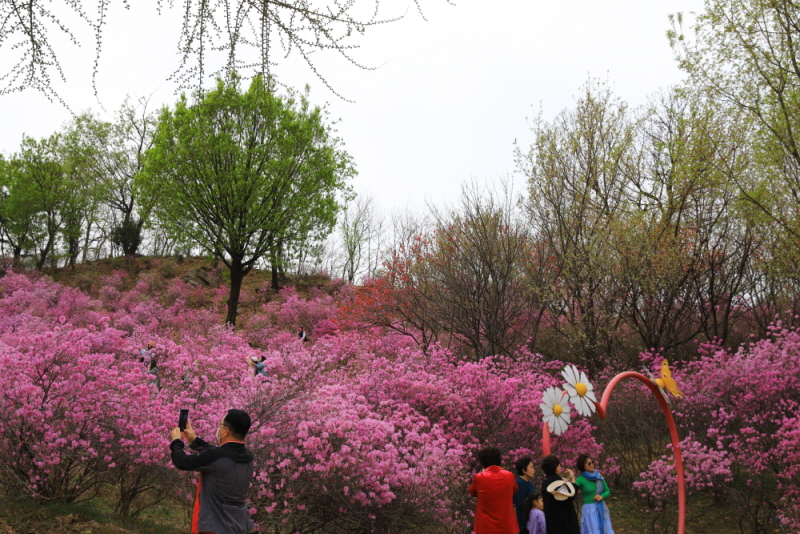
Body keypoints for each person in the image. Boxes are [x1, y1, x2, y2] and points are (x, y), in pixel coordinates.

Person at [170, 409, 255, 534]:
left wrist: (176, 442)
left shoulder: (217, 456)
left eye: (220, 425)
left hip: (214, 527)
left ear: (226, 431)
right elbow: (220, 454)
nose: (218, 429)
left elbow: (182, 462)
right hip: (237, 527)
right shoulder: (248, 457)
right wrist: (194, 441)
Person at [468, 446, 518, 534]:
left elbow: (472, 492)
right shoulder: (510, 476)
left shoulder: (479, 477)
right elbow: (514, 490)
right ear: (499, 460)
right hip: (507, 526)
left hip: (485, 528)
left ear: (482, 462)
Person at [573, 455, 614, 534]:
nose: (591, 464)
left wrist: (601, 496)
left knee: (605, 529)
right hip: (589, 510)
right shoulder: (580, 479)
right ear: (582, 465)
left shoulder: (599, 477)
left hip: (601, 507)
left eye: (592, 462)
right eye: (589, 463)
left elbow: (607, 491)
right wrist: (571, 480)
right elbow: (573, 488)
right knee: (593, 530)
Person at [541, 454, 579, 534]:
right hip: (563, 522)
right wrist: (573, 480)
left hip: (552, 521)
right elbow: (570, 496)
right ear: (556, 467)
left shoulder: (545, 481)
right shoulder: (556, 480)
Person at [513, 456, 537, 534]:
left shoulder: (527, 482)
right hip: (525, 522)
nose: (533, 470)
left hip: (531, 520)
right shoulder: (520, 483)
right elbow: (520, 503)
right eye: (531, 467)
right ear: (524, 470)